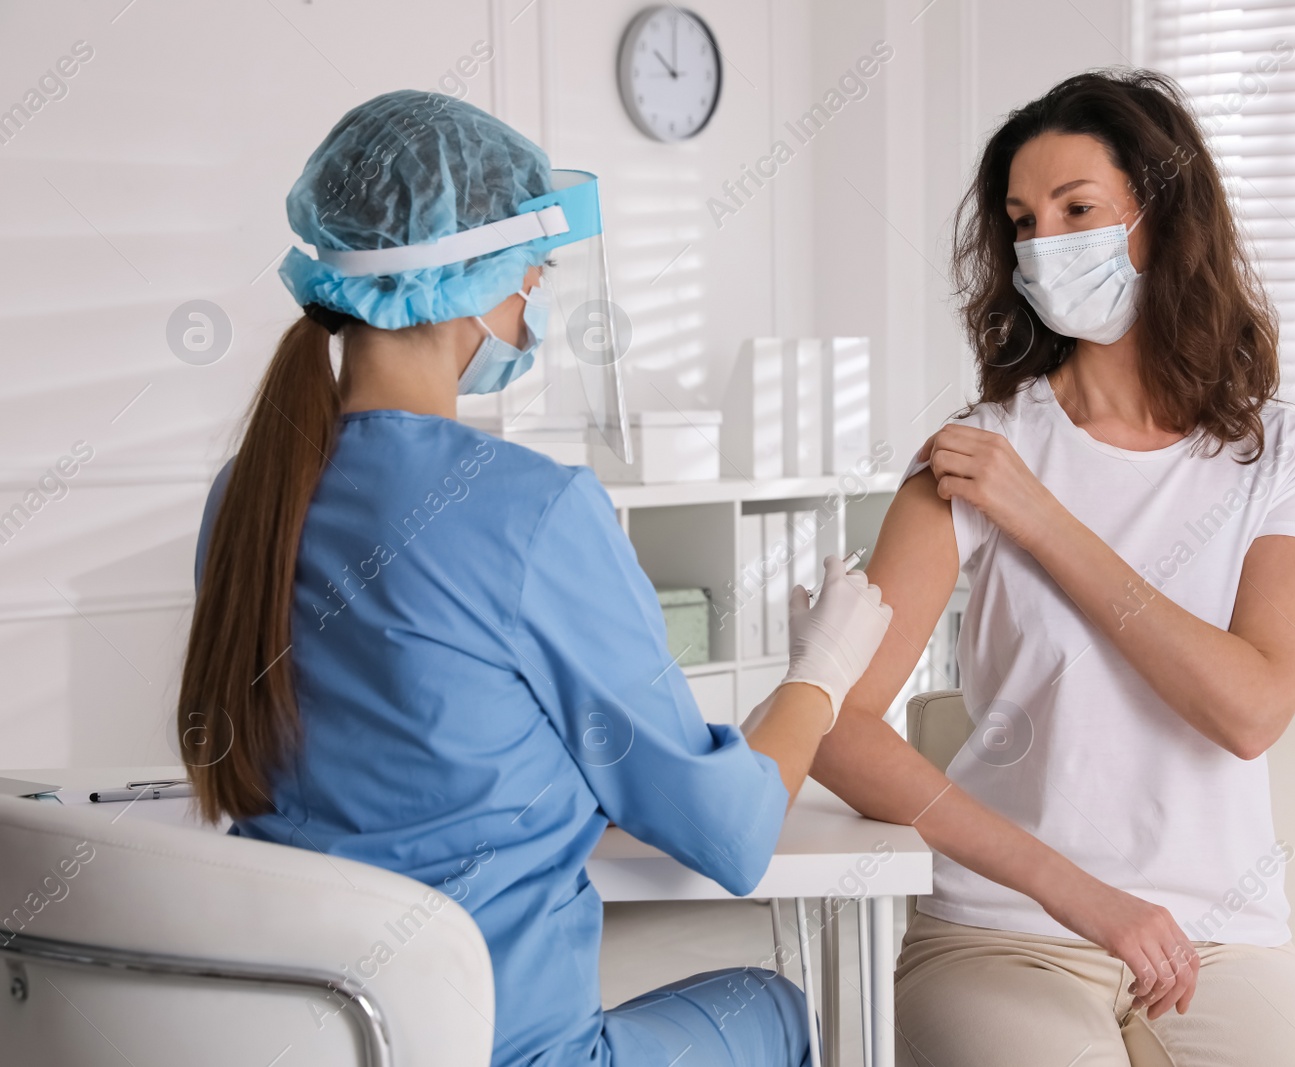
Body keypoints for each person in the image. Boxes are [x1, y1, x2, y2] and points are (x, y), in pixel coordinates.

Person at [177, 90, 892, 1067]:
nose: (535, 302)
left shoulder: (245, 495)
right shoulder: (528, 507)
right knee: (771, 1003)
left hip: (306, 1042)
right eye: (534, 271)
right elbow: (728, 831)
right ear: (472, 283)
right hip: (506, 1050)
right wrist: (821, 670)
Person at [808, 70, 1295, 1066]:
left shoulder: (1283, 455)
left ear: (1163, 219)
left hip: (1221, 943)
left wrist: (1042, 518)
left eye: (1077, 210)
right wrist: (1081, 893)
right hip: (1004, 934)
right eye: (1022, 220)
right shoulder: (973, 452)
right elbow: (832, 725)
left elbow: (1250, 709)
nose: (1044, 245)